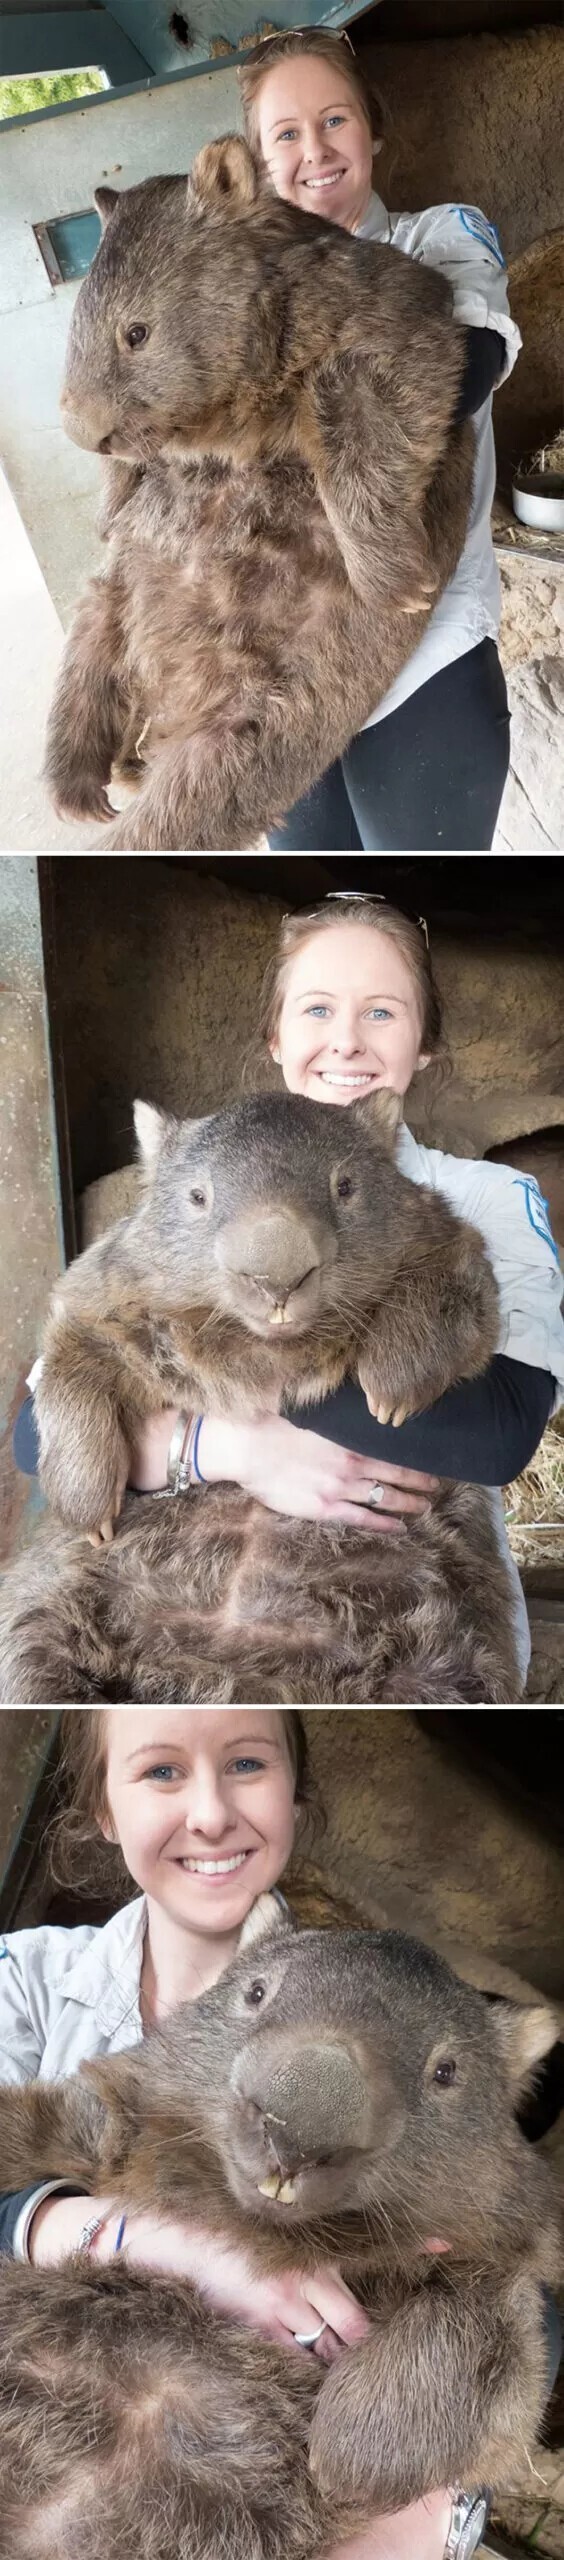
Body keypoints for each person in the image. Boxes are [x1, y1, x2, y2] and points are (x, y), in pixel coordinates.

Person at [14, 891, 564, 1685]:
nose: (345, 1039)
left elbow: (502, 1436)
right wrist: (227, 1448)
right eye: (316, 1009)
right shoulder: (189, 1167)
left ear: (426, 1044)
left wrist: (237, 1382)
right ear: (274, 1035)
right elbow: (49, 1426)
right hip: (136, 1612)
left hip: (390, 1621)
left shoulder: (483, 1196)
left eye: (382, 1013)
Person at [1, 1703, 461, 2560]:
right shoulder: (22, 1983)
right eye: (160, 1770)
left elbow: (493, 2294)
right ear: (104, 1805)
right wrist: (131, 2235)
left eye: (249, 1764)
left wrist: (427, 2505)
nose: (209, 1813)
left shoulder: (399, 2009)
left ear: (295, 1790)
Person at [234, 27, 520, 852]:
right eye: (285, 133)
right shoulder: (246, 293)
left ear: (373, 131)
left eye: (336, 120)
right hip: (285, 678)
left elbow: (467, 365)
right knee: (314, 884)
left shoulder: (442, 237)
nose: (315, 151)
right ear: (256, 162)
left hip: (423, 661)